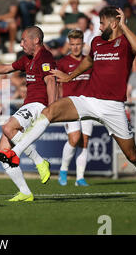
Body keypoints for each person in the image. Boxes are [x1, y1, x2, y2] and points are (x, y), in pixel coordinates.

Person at [0, 6, 136, 204]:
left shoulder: (125, 42)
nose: (99, 27)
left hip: (113, 106)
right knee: (49, 111)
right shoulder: (97, 42)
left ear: (114, 23)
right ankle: (16, 154)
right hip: (89, 99)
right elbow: (88, 61)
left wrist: (124, 26)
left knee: (132, 154)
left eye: (102, 23)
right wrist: (69, 77)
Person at [0, 26, 57, 202]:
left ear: (36, 40)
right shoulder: (27, 59)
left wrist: (51, 109)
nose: (21, 44)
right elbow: (7, 68)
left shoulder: (45, 57)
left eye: (23, 40)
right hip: (29, 105)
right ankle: (25, 192)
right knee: (3, 152)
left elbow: (50, 80)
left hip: (38, 105)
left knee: (7, 126)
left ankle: (39, 161)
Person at [56, 30, 93, 187]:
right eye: (72, 45)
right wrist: (58, 103)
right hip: (70, 105)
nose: (75, 47)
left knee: (84, 141)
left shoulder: (89, 61)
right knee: (74, 138)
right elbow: (57, 84)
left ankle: (80, 177)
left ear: (83, 44)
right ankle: (63, 170)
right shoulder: (63, 63)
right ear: (69, 44)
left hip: (88, 105)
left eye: (78, 44)